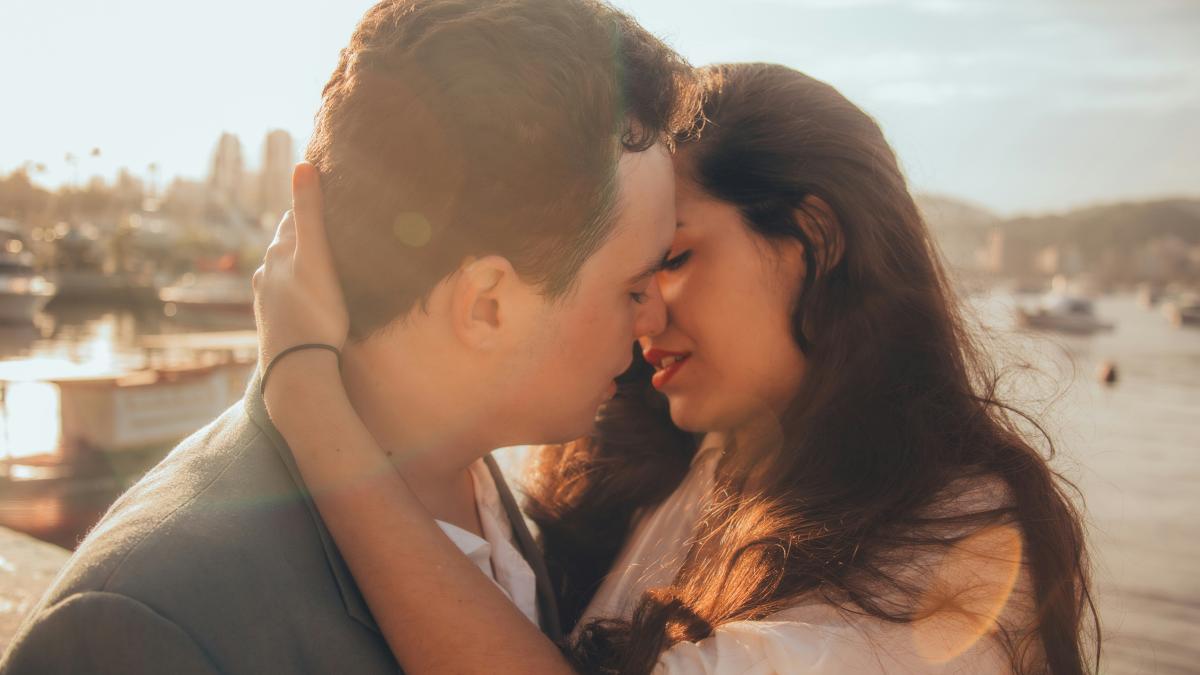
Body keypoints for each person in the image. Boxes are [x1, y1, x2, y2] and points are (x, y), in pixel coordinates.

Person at [254, 63, 1099, 674]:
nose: (644, 308)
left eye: (678, 255)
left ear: (816, 238)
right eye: (633, 270)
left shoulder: (950, 550)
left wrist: (303, 389)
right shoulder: (705, 460)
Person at [0, 1, 696, 673]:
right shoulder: (144, 625)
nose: (652, 322)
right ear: (486, 306)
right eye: (633, 290)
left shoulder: (478, 488)